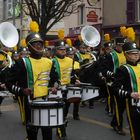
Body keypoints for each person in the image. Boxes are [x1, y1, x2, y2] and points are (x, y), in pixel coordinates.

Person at [4, 32, 58, 140]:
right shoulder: (22, 62)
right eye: (35, 43)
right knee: (32, 134)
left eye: (40, 43)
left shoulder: (49, 62)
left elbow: (55, 79)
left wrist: (55, 86)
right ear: (29, 46)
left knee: (48, 134)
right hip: (30, 103)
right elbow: (8, 83)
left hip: (46, 102)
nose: (39, 46)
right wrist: (22, 91)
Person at [112, 41, 140, 140]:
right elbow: (115, 88)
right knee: (136, 134)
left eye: (137, 52)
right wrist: (130, 94)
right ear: (126, 54)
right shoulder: (123, 69)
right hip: (133, 105)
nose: (136, 55)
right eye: (132, 53)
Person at [53, 40, 80, 140]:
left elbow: (71, 74)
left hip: (68, 88)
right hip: (58, 90)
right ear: (56, 50)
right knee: (61, 110)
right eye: (60, 49)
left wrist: (75, 80)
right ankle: (62, 132)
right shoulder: (52, 61)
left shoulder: (70, 60)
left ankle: (60, 128)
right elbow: (52, 77)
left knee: (65, 111)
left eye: (64, 49)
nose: (63, 51)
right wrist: (55, 85)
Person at [99, 37, 127, 135]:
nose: (121, 47)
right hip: (114, 83)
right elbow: (103, 69)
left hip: (126, 84)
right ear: (116, 45)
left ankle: (114, 122)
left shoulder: (126, 54)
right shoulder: (111, 55)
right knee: (119, 105)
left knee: (123, 106)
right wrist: (113, 75)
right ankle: (119, 126)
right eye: (120, 45)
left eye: (123, 45)